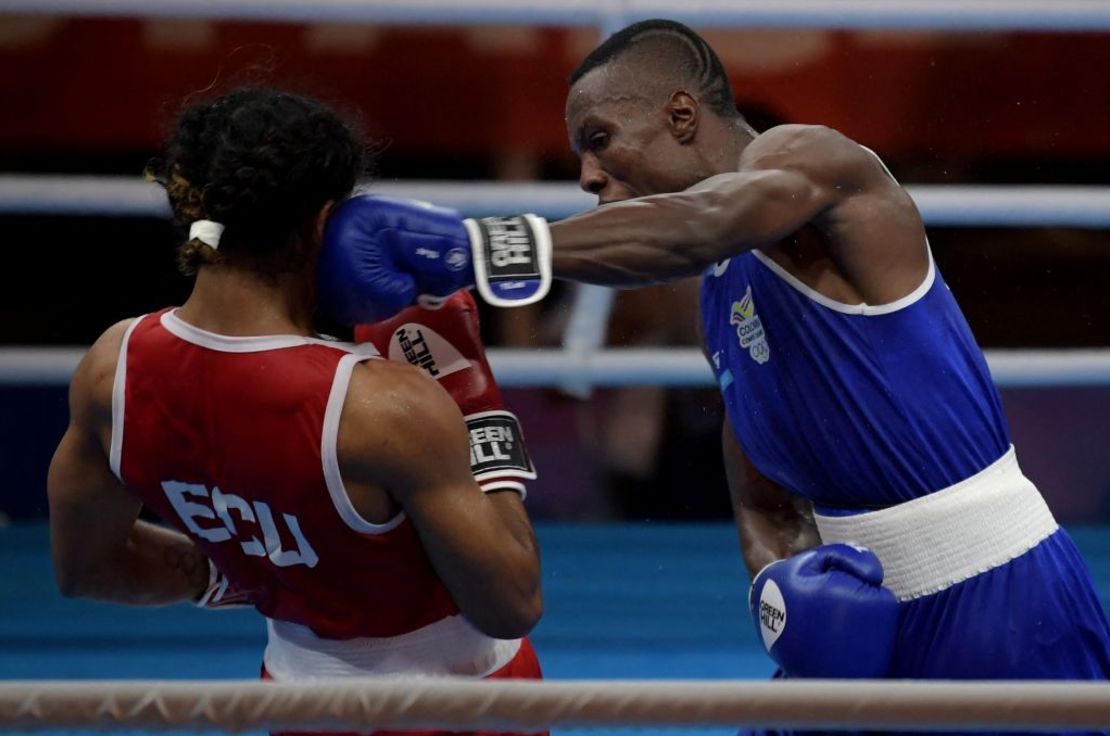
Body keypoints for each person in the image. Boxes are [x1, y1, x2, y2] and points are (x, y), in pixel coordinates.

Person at [315, 16, 1110, 708]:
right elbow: (763, 495)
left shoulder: (819, 163)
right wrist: (779, 588)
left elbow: (708, 221)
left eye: (600, 141)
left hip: (1001, 599)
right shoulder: (719, 301)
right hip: (864, 630)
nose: (588, 175)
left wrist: (479, 246)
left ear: (683, 114)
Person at [46, 87, 544, 736]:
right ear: (326, 221)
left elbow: (86, 567)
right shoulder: (383, 408)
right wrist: (473, 404)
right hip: (468, 702)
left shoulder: (113, 369)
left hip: (296, 697)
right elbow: (512, 603)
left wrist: (260, 572)